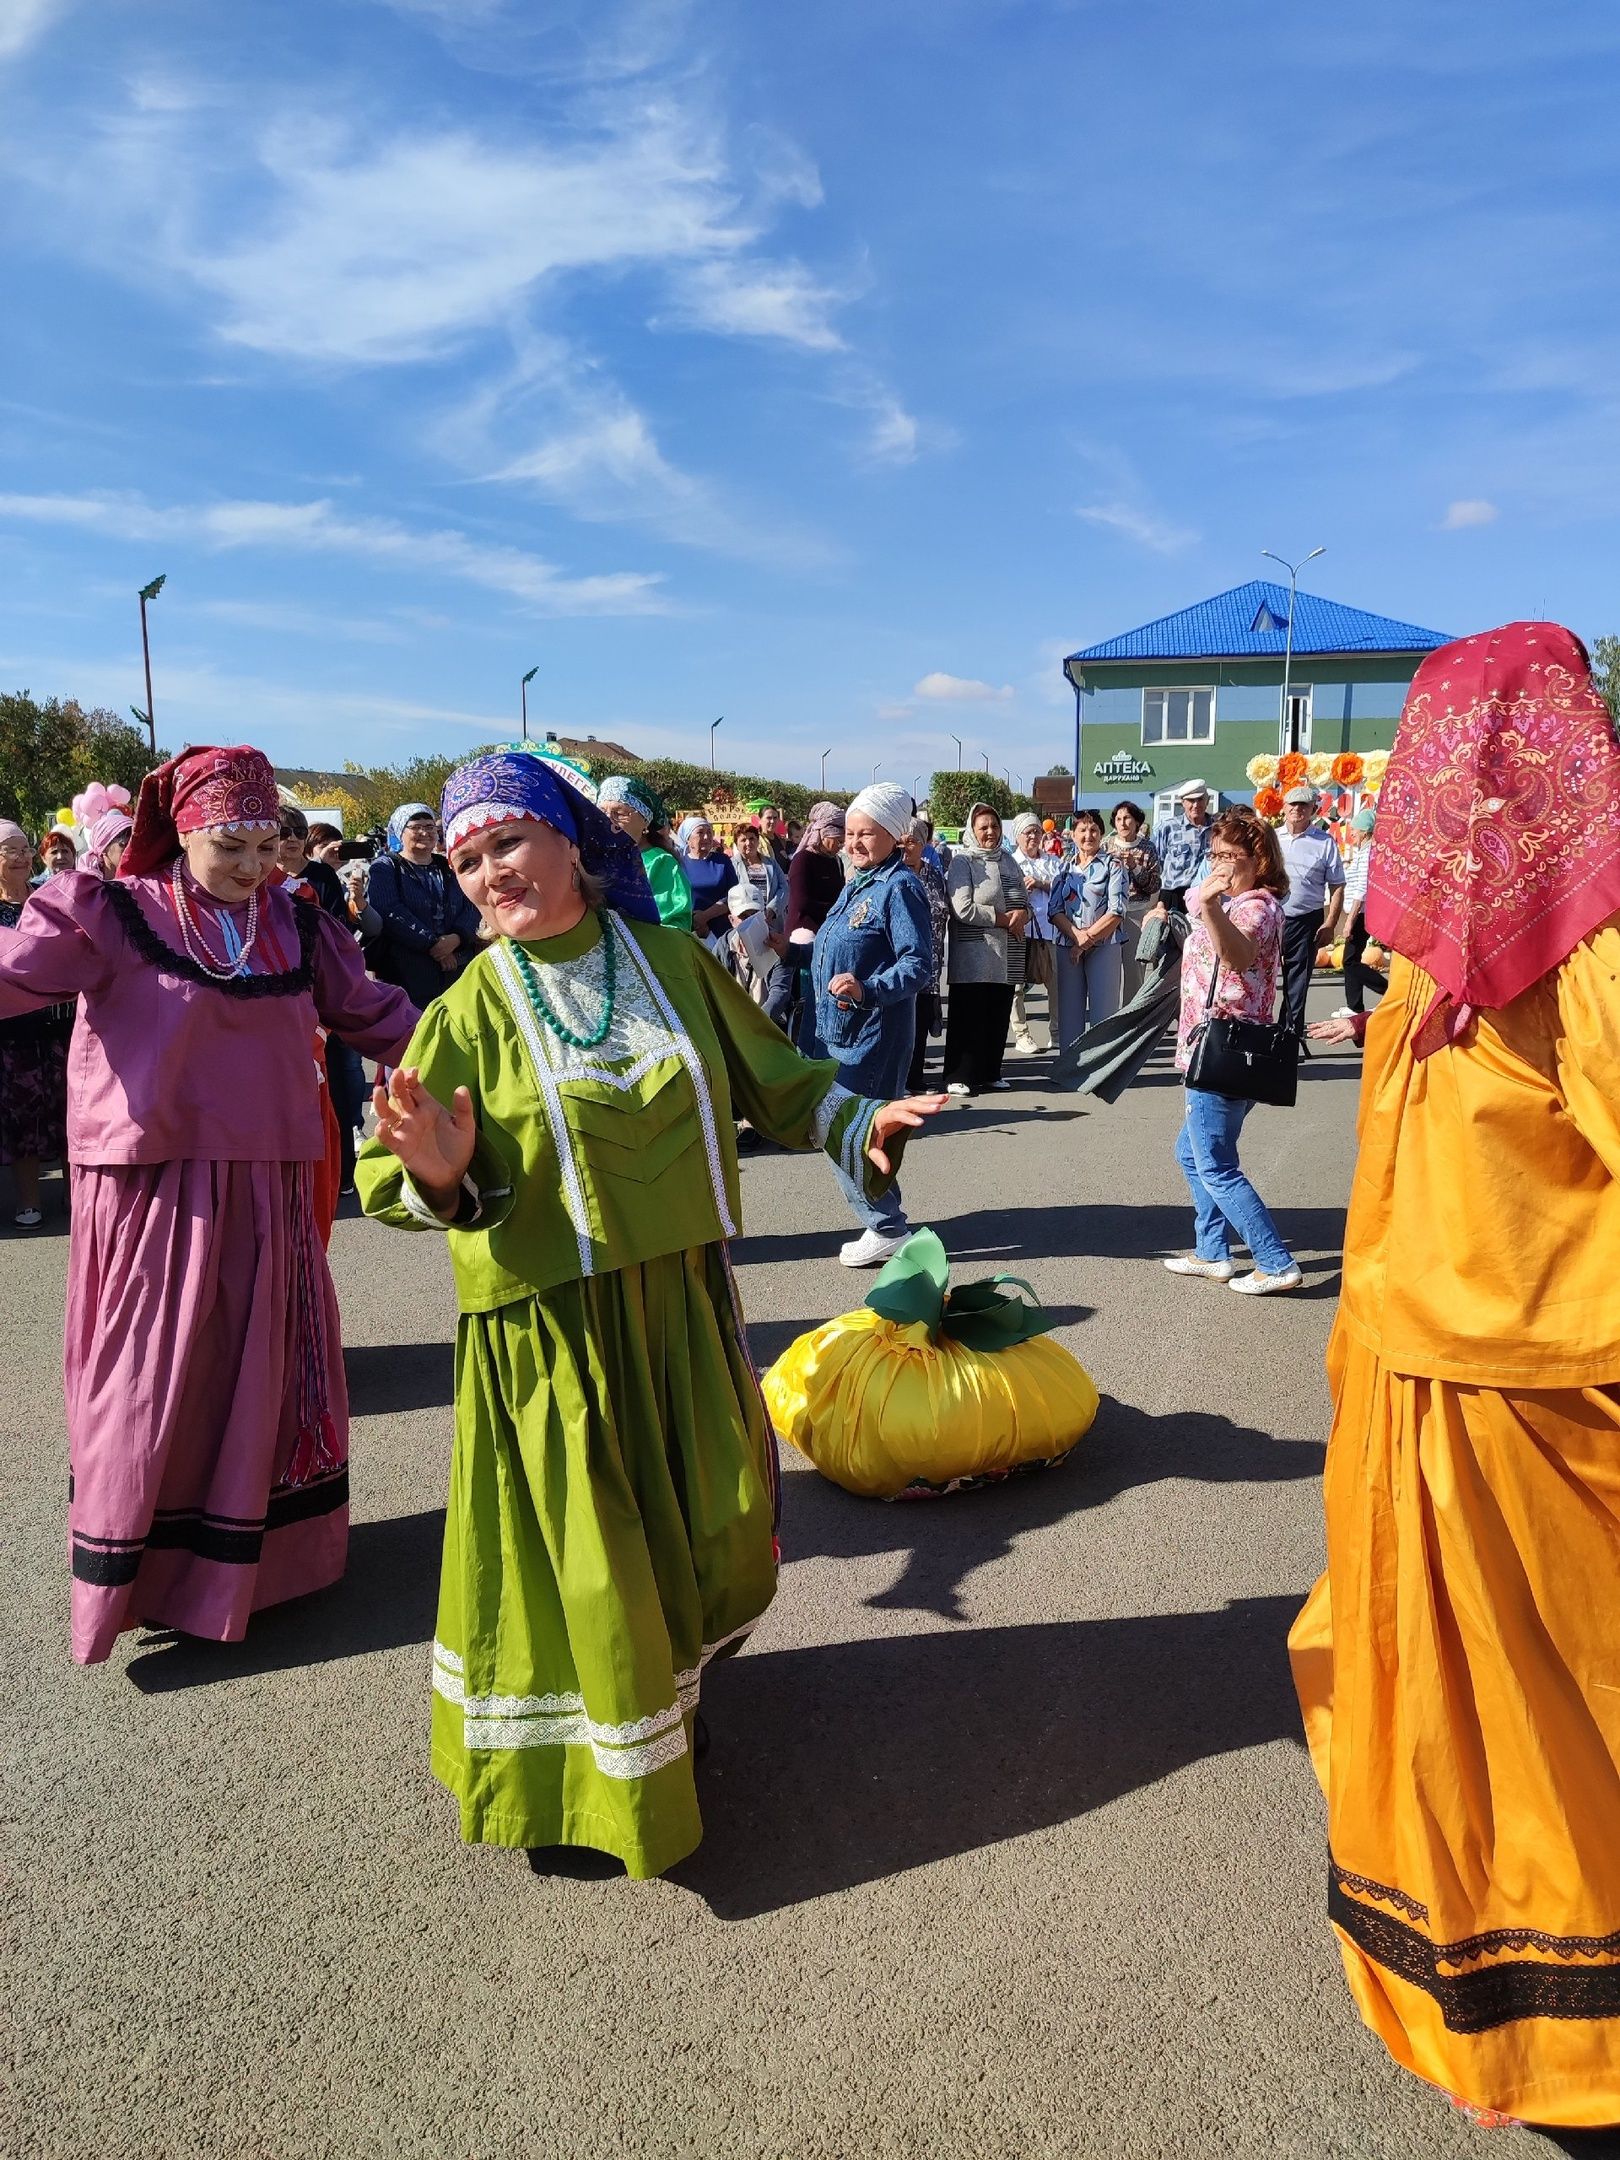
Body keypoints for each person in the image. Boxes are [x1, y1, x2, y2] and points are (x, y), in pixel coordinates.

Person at [355, 746, 942, 1878]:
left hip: (678, 1302)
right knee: (591, 1562)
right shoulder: (470, 1004)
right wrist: (438, 1170)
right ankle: (588, 1783)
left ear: (573, 843)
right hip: (552, 1332)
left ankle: (667, 1703)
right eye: (468, 859)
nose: (487, 874)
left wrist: (859, 1124)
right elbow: (394, 1179)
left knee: (704, 1529)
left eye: (507, 844)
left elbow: (783, 1077)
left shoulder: (672, 960)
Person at [1289, 622, 1620, 2130]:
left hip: (1547, 1418)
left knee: (1564, 1739)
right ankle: (1504, 2031)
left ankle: (1584, 2052)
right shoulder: (1421, 969)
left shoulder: (1599, 952)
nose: (1451, 795)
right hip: (1422, 1409)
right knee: (1453, 1743)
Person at [0, 746, 418, 1662]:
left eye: (268, 845)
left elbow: (379, 1014)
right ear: (184, 829)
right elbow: (13, 970)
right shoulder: (111, 912)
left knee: (259, 1376)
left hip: (268, 1184)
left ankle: (261, 1572)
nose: (254, 866)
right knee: (149, 1386)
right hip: (154, 1188)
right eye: (232, 843)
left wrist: (487, 1035)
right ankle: (139, 1578)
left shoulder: (299, 927)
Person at [1163, 807, 1300, 1295]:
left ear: (1258, 859)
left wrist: (1212, 905)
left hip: (1227, 1047)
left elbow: (1237, 957)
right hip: (1210, 1043)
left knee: (1216, 1164)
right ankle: (1213, 1252)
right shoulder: (1229, 900)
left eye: (1229, 856)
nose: (1218, 864)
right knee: (1191, 1153)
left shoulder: (1256, 908)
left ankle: (1274, 1260)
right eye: (1214, 854)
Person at [810, 783, 933, 1266]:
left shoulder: (899, 886)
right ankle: (882, 1219)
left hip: (875, 1037)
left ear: (894, 837)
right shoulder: (858, 881)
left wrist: (867, 988)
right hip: (837, 1033)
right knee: (839, 1128)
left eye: (866, 834)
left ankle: (886, 1225)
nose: (854, 842)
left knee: (855, 1131)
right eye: (850, 833)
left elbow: (918, 964)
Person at [0, 821, 69, 1228]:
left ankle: (75, 1197)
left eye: (26, 848)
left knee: (69, 1111)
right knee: (21, 1114)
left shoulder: (48, 899)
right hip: (12, 1031)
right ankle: (29, 1201)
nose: (24, 856)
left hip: (61, 1024)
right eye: (13, 850)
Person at [942, 804, 1028, 1096]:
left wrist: (1023, 914)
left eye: (994, 826)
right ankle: (959, 1075)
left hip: (1007, 952)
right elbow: (962, 907)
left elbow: (1023, 897)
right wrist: (1005, 919)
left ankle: (990, 1071)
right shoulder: (962, 862)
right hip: (974, 953)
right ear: (972, 830)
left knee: (997, 1012)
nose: (990, 832)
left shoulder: (1008, 860)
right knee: (968, 1015)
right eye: (983, 827)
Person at [366, 802, 483, 1009]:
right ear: (400, 832)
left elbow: (472, 902)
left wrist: (456, 938)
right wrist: (433, 944)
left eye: (430, 827)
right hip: (408, 970)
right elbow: (389, 910)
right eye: (416, 827)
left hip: (457, 963)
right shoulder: (385, 867)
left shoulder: (448, 865)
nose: (424, 833)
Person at [1048, 809, 1129, 1052]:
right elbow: (1054, 909)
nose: (1088, 835)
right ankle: (1070, 1067)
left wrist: (1086, 940)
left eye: (1093, 830)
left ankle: (1100, 1069)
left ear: (1102, 834)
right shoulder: (1064, 867)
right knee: (1069, 1010)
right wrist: (1077, 937)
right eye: (1082, 830)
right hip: (1067, 944)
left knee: (1103, 1011)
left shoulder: (1113, 865)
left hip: (1105, 945)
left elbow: (1117, 910)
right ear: (1072, 835)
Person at [1277, 784, 1346, 1039]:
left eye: (1304, 805)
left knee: (1297, 981)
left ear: (1313, 810)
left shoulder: (1324, 842)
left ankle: (1289, 1036)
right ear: (1284, 808)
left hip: (1307, 920)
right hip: (1271, 917)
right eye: (1293, 804)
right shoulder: (1272, 838)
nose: (1298, 810)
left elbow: (1337, 886)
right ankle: (1258, 1033)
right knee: (1260, 977)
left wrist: (1330, 923)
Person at [783, 802, 846, 1049]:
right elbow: (802, 902)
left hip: (829, 931)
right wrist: (835, 910)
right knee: (810, 998)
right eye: (836, 839)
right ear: (822, 834)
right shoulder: (802, 860)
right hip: (805, 932)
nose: (839, 844)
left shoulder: (835, 862)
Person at [597, 775, 693, 932]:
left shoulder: (660, 863)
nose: (608, 820)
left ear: (645, 821)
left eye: (619, 813)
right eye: (601, 812)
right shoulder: (592, 858)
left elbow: (673, 927)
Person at [901, 815, 949, 1092]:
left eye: (912, 842)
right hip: (900, 961)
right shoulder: (893, 873)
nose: (906, 848)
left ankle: (916, 1078)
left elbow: (942, 911)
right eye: (901, 842)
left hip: (930, 961)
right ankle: (900, 1079)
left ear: (924, 844)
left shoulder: (933, 872)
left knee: (919, 1021)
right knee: (901, 1022)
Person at [1008, 811, 1058, 1055]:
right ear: (1017, 836)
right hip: (1020, 932)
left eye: (1037, 831)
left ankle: (1057, 1032)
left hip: (1050, 931)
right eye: (1028, 832)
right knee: (1016, 987)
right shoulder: (1010, 862)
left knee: (1056, 984)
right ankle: (1022, 1034)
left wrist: (1040, 883)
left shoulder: (1052, 861)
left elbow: (1063, 889)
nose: (1034, 836)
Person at [1330, 807, 1382, 1021]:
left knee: (1350, 960)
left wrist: (1350, 920)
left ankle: (1386, 989)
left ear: (1365, 832)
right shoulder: (1363, 851)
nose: (1352, 833)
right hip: (1358, 912)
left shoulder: (1368, 852)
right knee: (1351, 958)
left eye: (1355, 830)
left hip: (1361, 913)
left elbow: (1361, 889)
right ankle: (1354, 1006)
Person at [1107, 799, 1162, 1000]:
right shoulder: (1106, 845)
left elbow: (1154, 884)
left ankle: (1132, 1018)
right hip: (1109, 914)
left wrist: (1135, 867)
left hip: (1136, 912)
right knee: (1109, 971)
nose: (1122, 823)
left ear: (1137, 821)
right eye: (1118, 819)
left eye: (1127, 818)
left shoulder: (1148, 848)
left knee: (1134, 971)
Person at [675, 816, 737, 948]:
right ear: (688, 839)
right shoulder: (679, 864)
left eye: (709, 832)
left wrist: (705, 916)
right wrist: (696, 920)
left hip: (722, 932)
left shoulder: (722, 861)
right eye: (700, 833)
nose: (706, 837)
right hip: (690, 930)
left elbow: (734, 896)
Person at [1155, 778, 1213, 910]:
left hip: (1207, 894)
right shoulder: (1168, 827)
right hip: (1174, 895)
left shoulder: (1218, 829)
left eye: (1200, 799)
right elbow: (1158, 861)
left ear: (1207, 800)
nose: (1196, 805)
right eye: (1191, 801)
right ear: (1183, 802)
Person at [730, 820, 787, 942]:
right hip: (745, 923)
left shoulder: (771, 863)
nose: (748, 843)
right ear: (736, 843)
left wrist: (772, 910)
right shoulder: (731, 866)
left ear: (757, 840)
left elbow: (784, 887)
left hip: (773, 922)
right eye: (743, 840)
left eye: (752, 839)